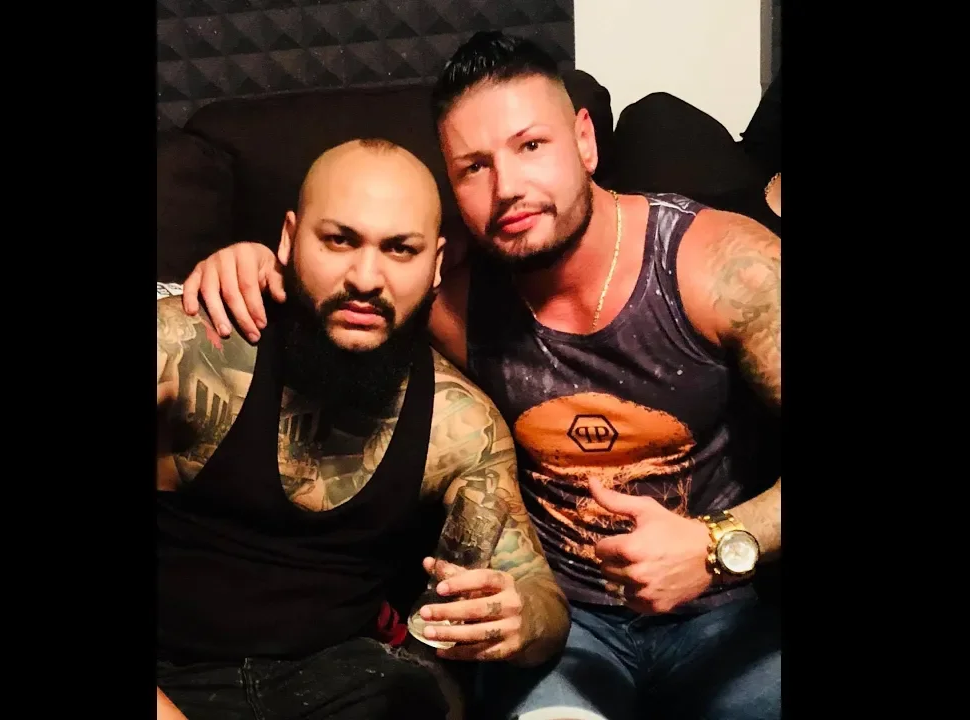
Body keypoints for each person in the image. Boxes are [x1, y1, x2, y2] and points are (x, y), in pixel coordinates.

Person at [178, 32, 781, 720]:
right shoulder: (445, 294)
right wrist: (256, 266)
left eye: (532, 146)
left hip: (720, 612)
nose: (508, 188)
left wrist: (719, 544)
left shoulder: (721, 267)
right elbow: (345, 283)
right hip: (567, 629)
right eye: (474, 167)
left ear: (585, 141)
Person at [155, 137, 570, 720]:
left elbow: (542, 604)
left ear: (436, 265)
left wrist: (520, 619)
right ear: (288, 239)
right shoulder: (183, 350)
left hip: (340, 683)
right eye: (339, 240)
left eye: (400, 249)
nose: (367, 277)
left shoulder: (460, 425)